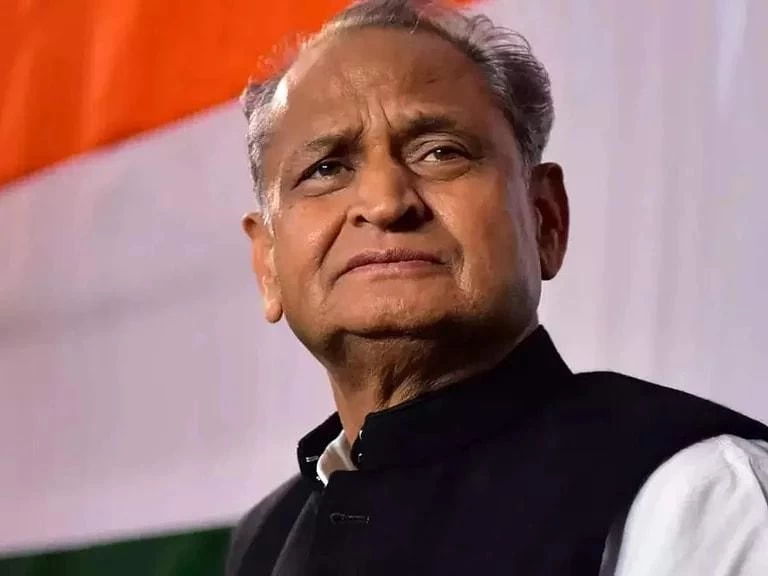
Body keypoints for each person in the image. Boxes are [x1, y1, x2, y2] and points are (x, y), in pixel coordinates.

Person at [227, 1, 768, 574]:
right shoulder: (264, 539)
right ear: (268, 265)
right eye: (326, 169)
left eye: (441, 152)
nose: (385, 203)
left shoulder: (699, 494)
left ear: (544, 219)